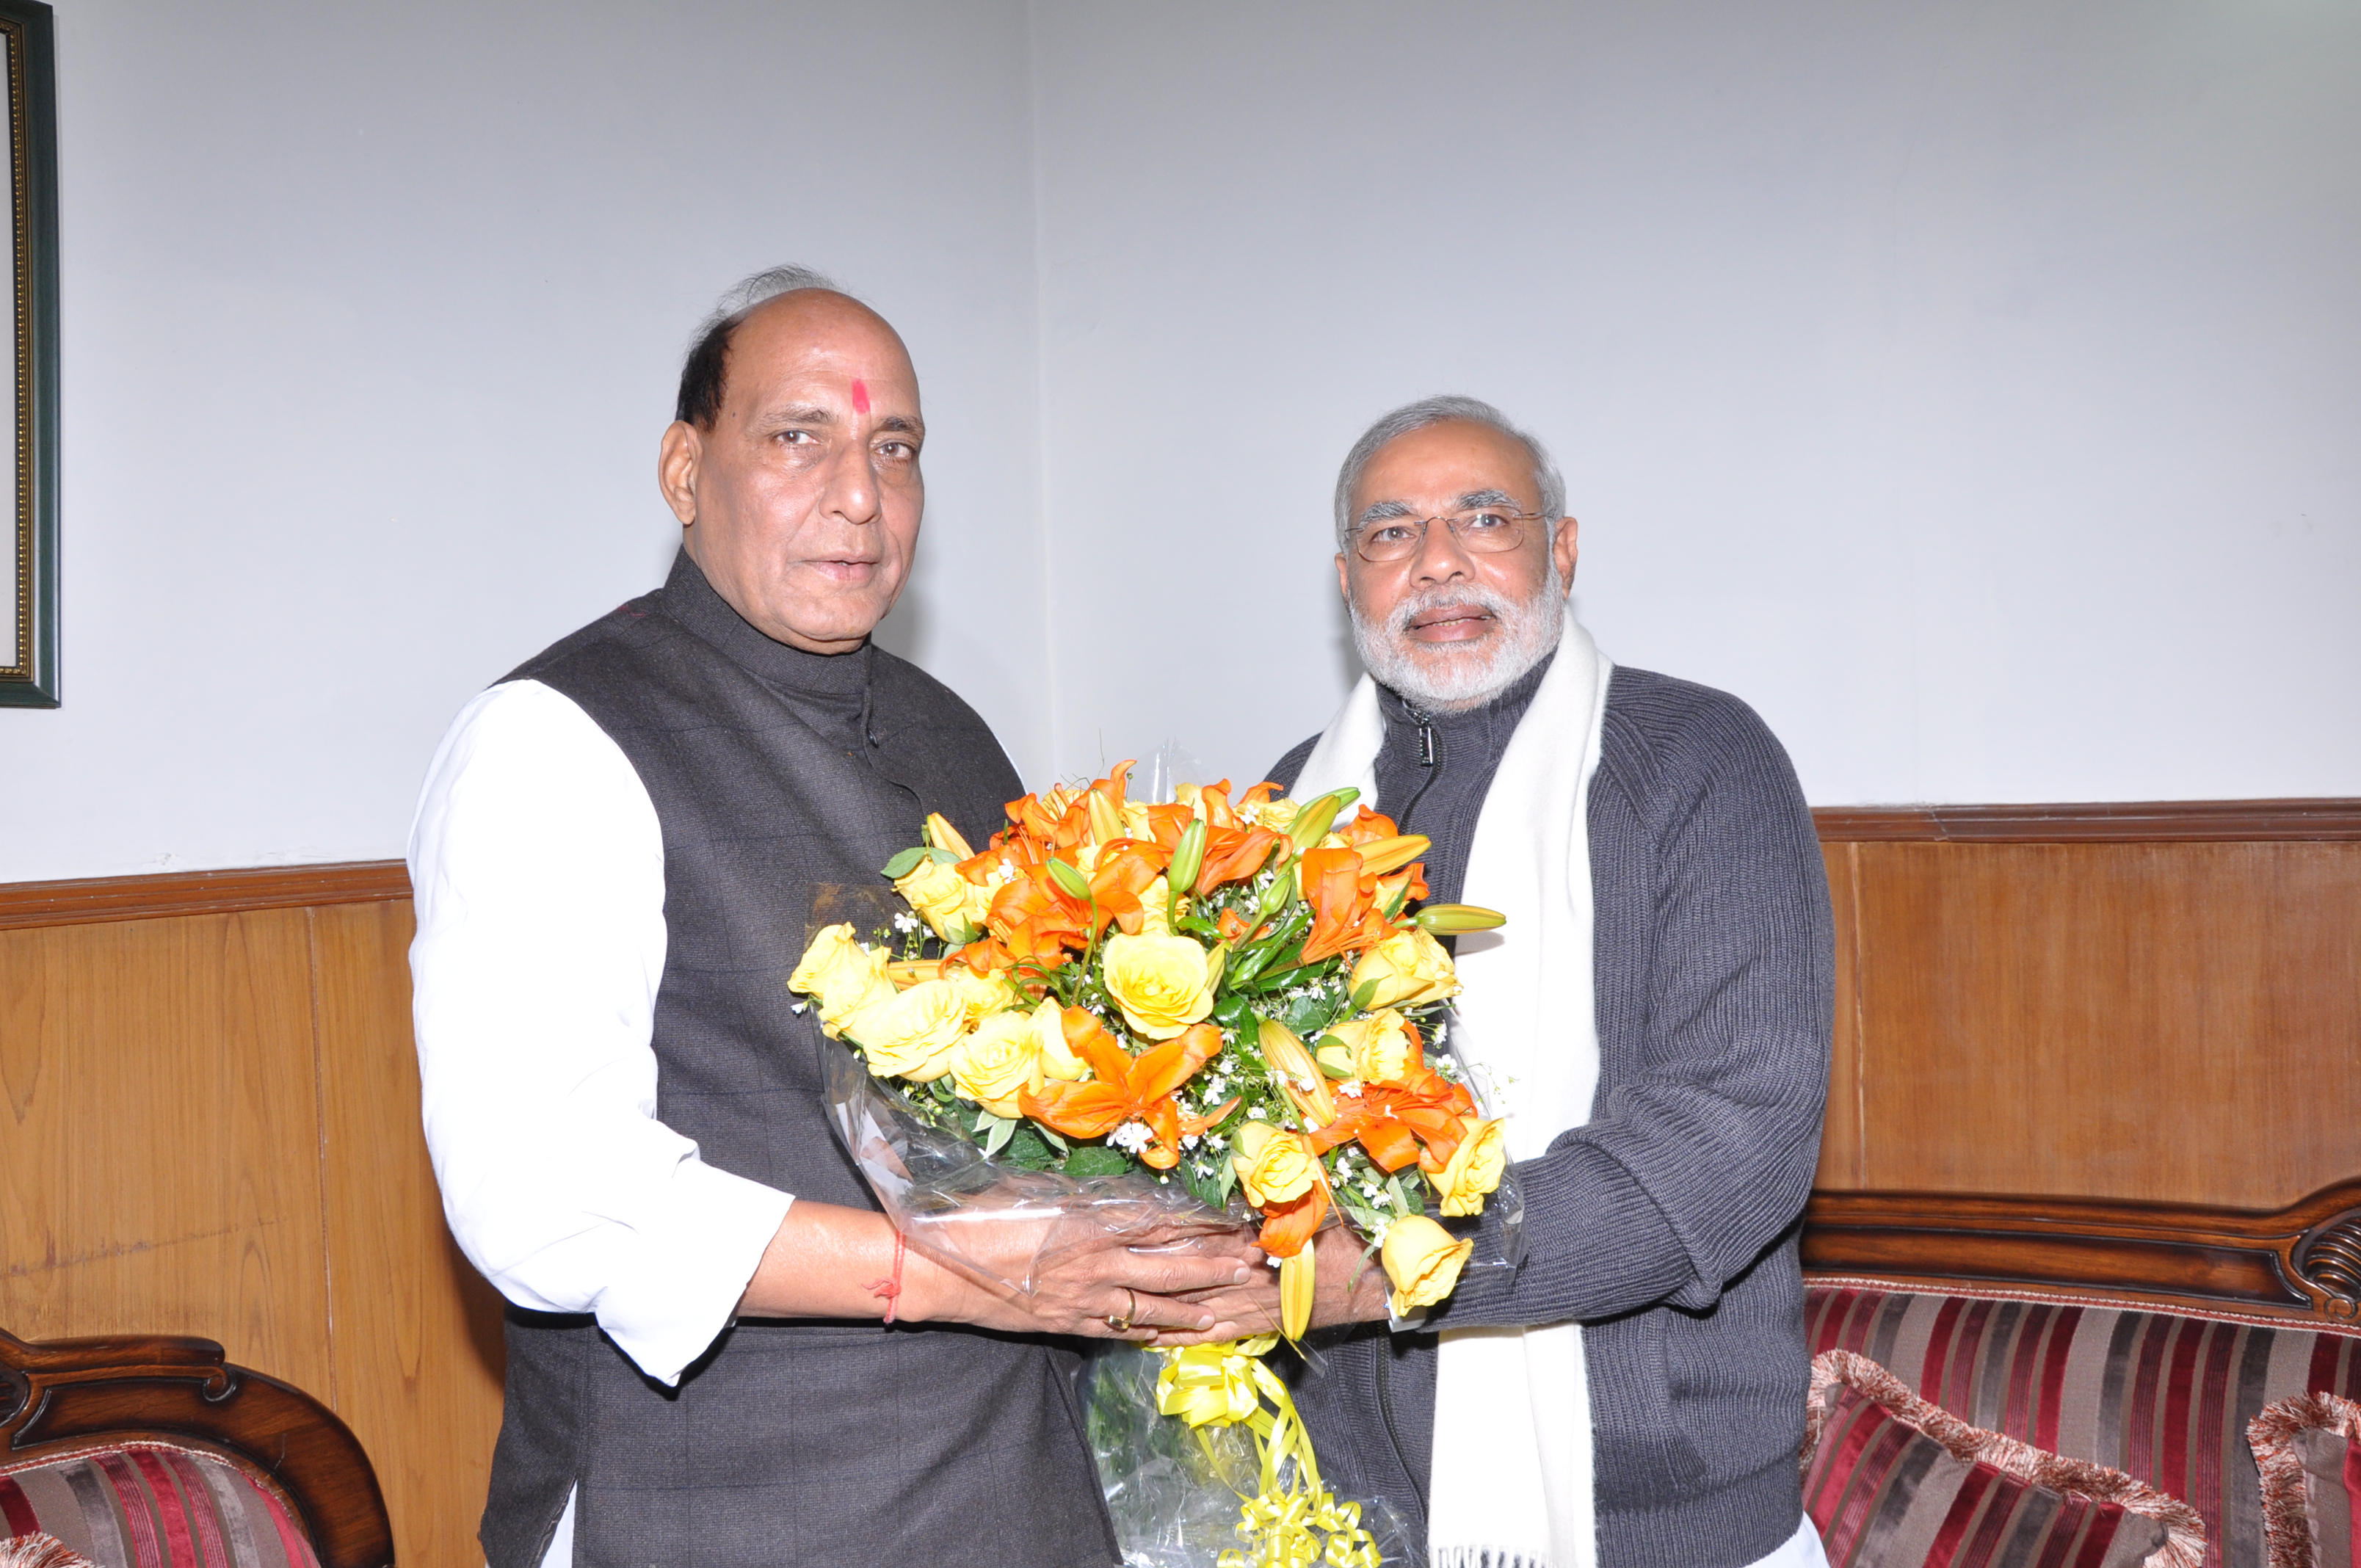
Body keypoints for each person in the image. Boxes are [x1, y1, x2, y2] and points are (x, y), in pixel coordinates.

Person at [408, 266, 1269, 1568]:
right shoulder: (555, 740)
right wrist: (968, 1274)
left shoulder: (951, 732)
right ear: (685, 471)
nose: (860, 495)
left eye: (895, 447)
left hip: (1010, 1481)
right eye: (797, 436)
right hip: (725, 1498)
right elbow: (541, 1195)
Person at [1269, 396, 1834, 1568]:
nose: (1438, 563)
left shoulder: (1696, 760)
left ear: (1562, 550)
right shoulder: (1285, 812)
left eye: (1485, 518)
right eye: (1390, 533)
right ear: (1347, 580)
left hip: (1656, 1519)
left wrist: (1390, 1270)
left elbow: (1737, 1138)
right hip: (1340, 1518)